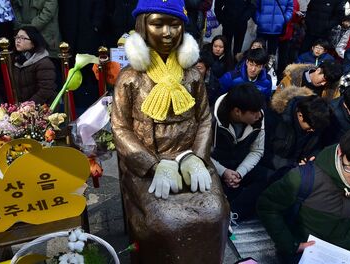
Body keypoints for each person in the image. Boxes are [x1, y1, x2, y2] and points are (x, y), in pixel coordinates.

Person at [112, 0, 228, 262]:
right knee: (164, 221)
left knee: (216, 211)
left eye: (174, 25)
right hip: (147, 162)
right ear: (143, 27)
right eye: (157, 24)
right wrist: (152, 164)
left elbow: (205, 119)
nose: (167, 32)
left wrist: (197, 158)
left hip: (190, 159)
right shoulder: (129, 78)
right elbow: (120, 128)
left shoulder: (193, 76)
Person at [257, 127, 350, 263]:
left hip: (340, 250)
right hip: (303, 248)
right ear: (340, 152)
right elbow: (267, 206)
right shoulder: (305, 178)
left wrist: (349, 248)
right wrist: (290, 245)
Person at [212, 83, 267, 220]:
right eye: (254, 113)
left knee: (266, 177)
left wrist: (240, 173)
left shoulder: (259, 118)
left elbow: (257, 151)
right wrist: (223, 171)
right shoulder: (211, 119)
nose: (259, 116)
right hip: (215, 166)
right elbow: (201, 153)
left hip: (240, 165)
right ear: (237, 111)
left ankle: (233, 214)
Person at [261, 87, 331, 174]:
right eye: (310, 127)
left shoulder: (316, 121)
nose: (313, 130)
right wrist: (291, 165)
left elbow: (315, 147)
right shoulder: (274, 119)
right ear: (300, 115)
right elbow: (262, 153)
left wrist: (312, 158)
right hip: (271, 170)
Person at [12, 27, 57, 105]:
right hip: (22, 108)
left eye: (23, 38)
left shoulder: (44, 63)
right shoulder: (16, 59)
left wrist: (28, 105)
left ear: (33, 43)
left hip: (43, 107)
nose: (18, 40)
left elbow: (46, 89)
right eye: (17, 37)